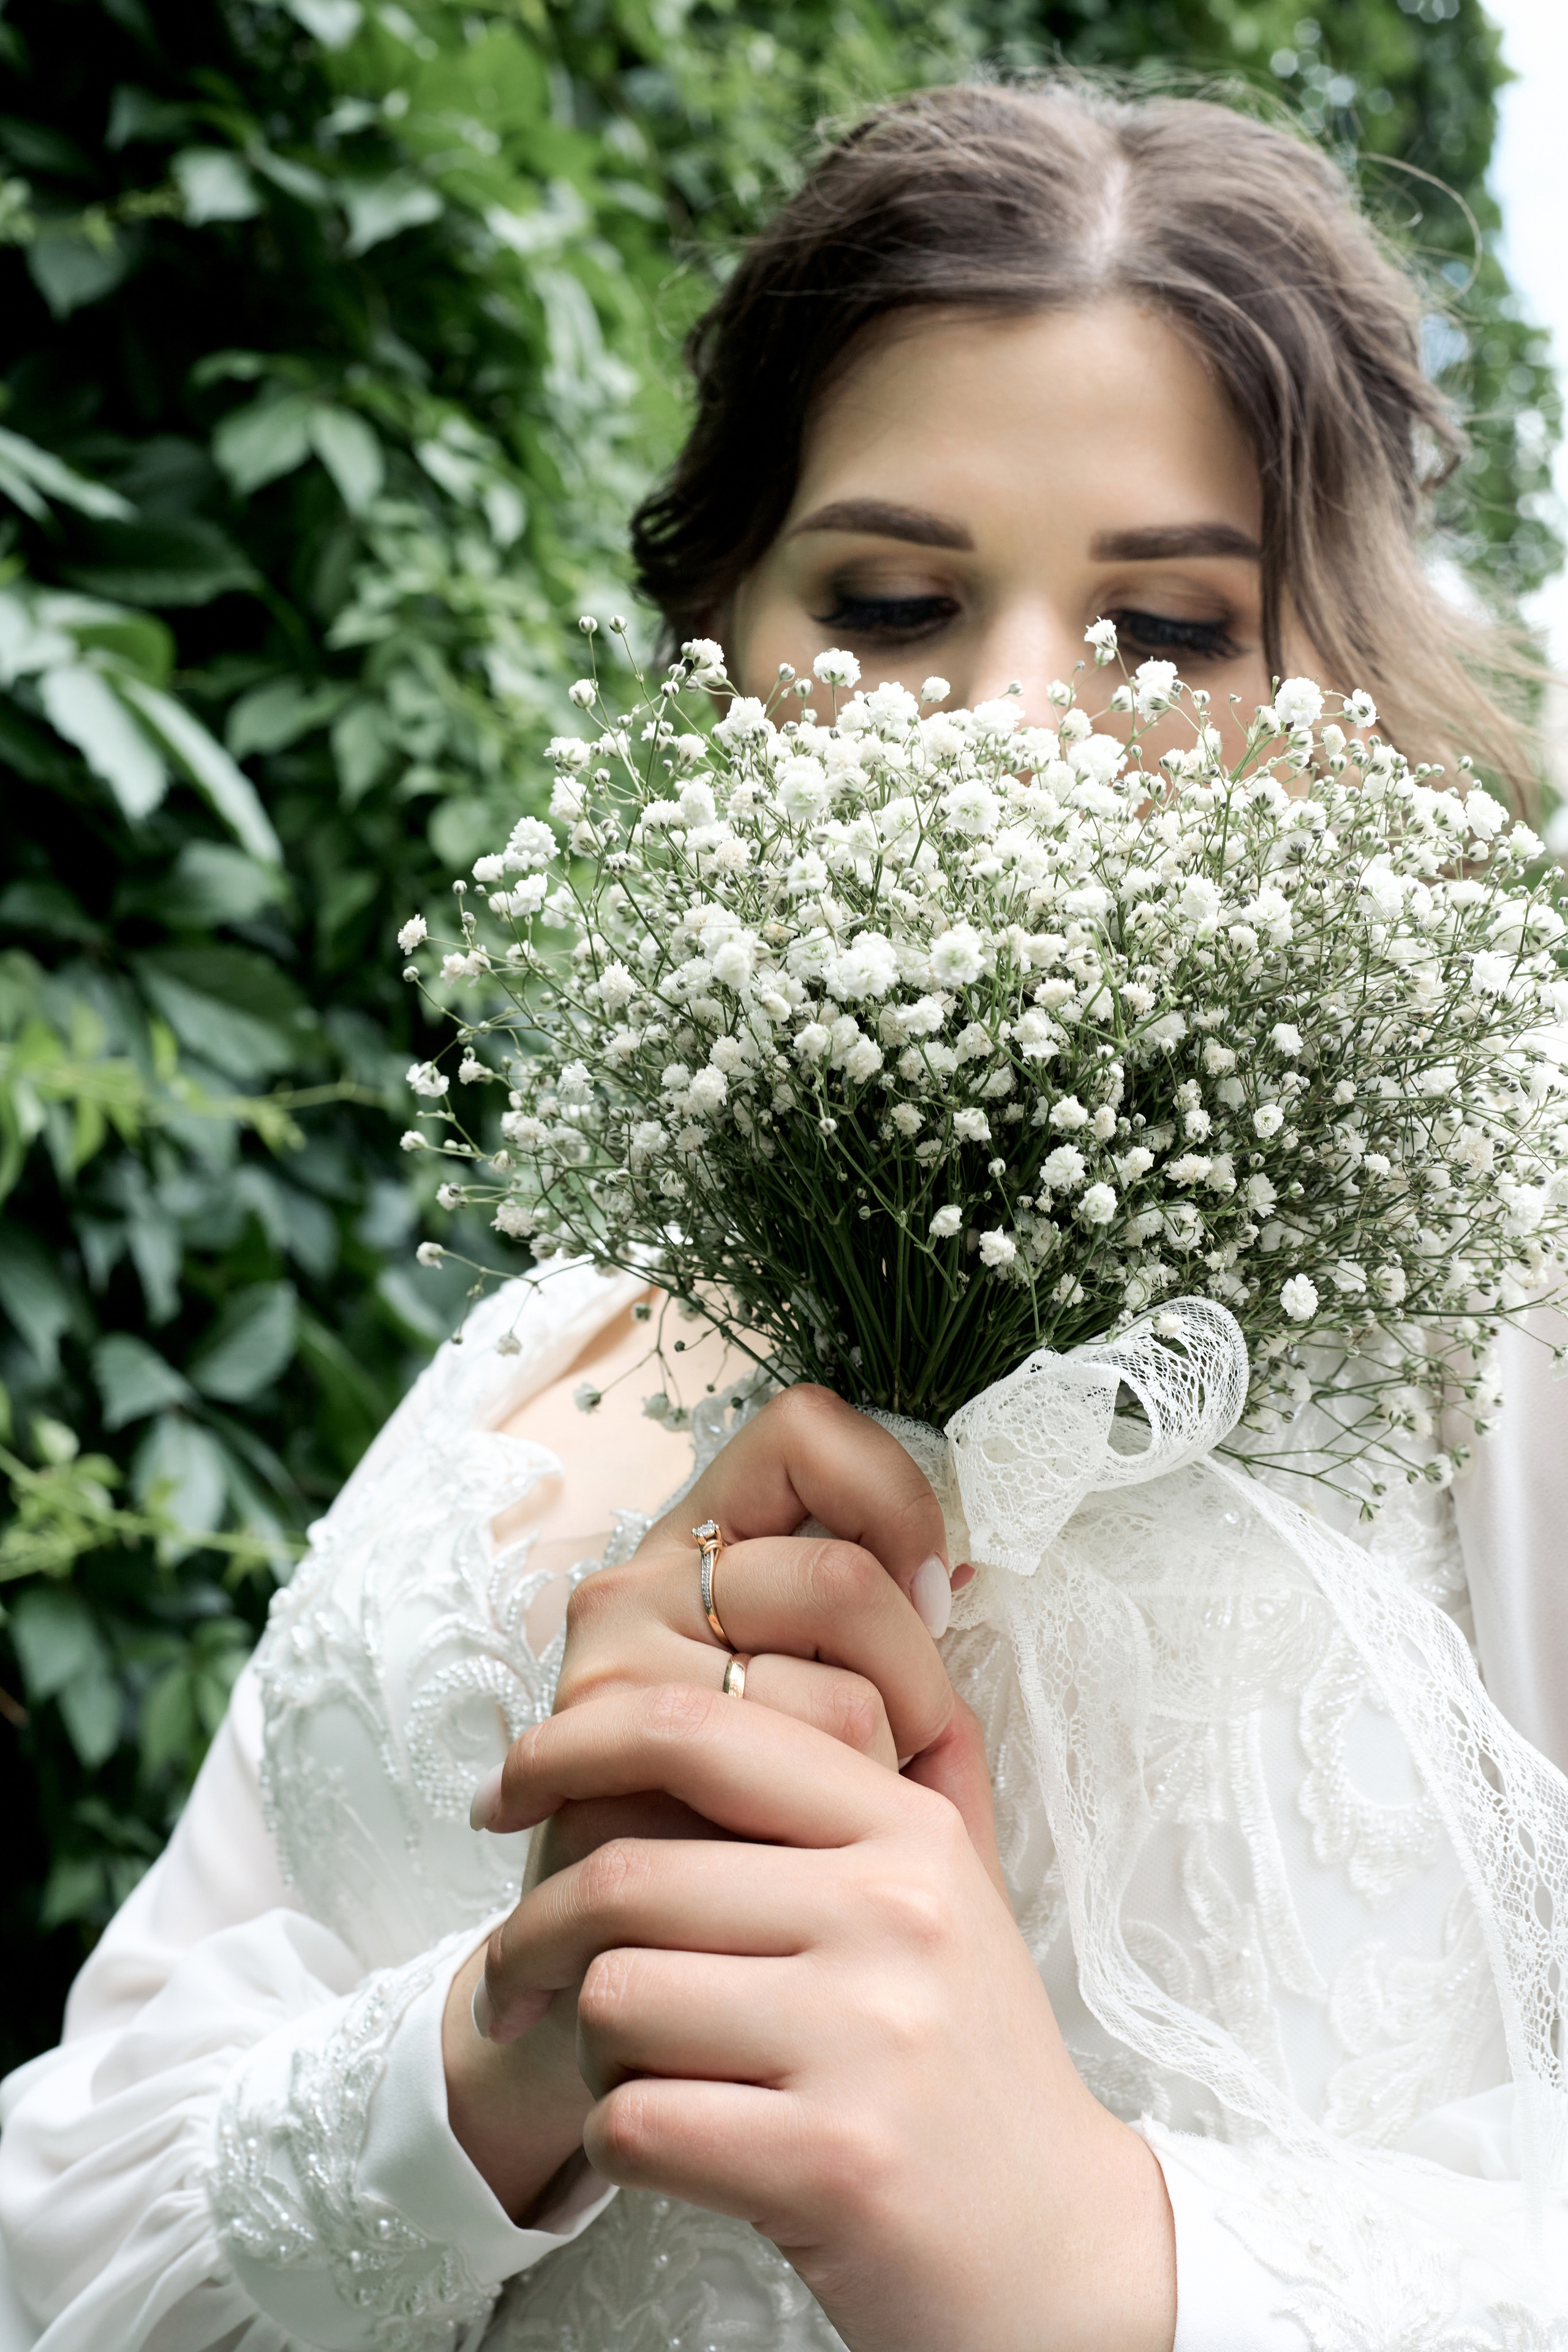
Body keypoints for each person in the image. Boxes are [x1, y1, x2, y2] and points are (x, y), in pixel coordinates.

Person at [2, 76, 1565, 2352]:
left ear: (1333, 691)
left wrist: (1119, 2262)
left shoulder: (1495, 1307)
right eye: (895, 602)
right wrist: (491, 2060)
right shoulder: (540, 1350)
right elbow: (56, 2224)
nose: (1008, 727)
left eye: (1168, 630)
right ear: (722, 633)